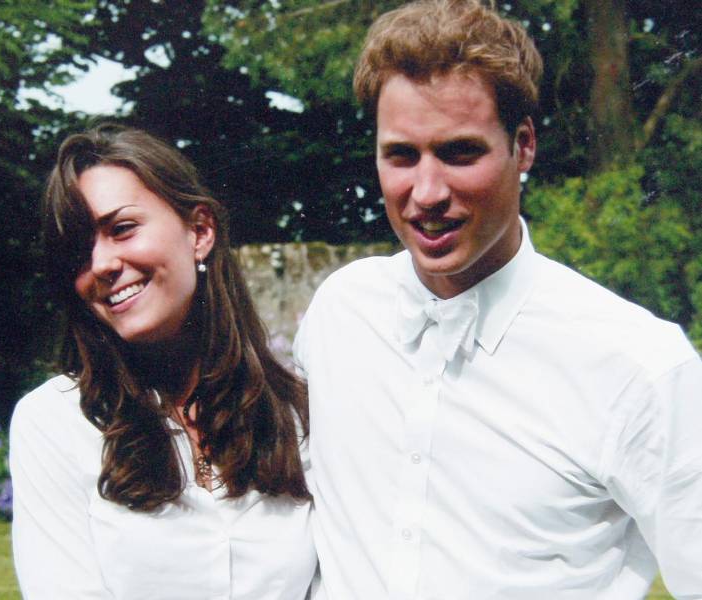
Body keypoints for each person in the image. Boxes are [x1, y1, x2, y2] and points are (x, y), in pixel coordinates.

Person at [293, 1, 702, 598]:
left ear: (524, 145)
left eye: (460, 152)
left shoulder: (639, 366)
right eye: (401, 155)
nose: (426, 192)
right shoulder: (340, 313)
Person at [10, 124, 317, 599]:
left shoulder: (300, 417)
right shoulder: (55, 423)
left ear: (199, 231)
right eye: (79, 250)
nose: (102, 264)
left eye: (122, 229)